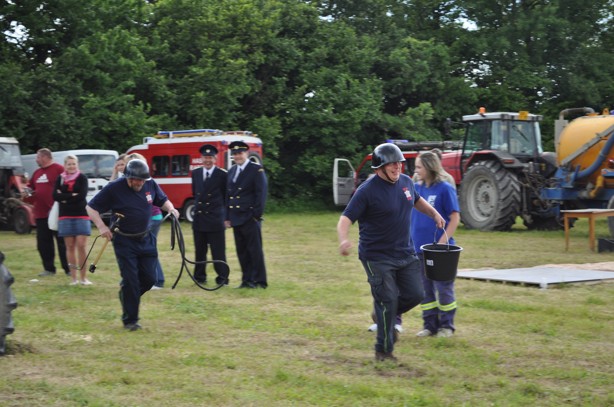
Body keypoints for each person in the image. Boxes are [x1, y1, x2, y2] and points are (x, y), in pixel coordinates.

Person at [337, 143, 445, 362]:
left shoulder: (405, 182)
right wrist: (344, 239)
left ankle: (381, 314)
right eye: (392, 164)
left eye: (399, 163)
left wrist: (434, 213)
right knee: (387, 300)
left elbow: (416, 200)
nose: (398, 167)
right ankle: (384, 351)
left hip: (405, 253)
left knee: (416, 294)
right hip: (376, 257)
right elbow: (345, 218)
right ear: (379, 167)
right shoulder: (366, 191)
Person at [86, 159, 179, 331]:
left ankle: (127, 294)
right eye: (135, 180)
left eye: (141, 180)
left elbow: (163, 200)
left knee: (150, 279)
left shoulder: (150, 184)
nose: (138, 183)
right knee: (131, 280)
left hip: (146, 238)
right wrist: (101, 226)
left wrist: (171, 209)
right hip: (124, 240)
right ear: (127, 177)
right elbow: (91, 207)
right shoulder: (114, 188)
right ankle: (130, 320)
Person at [411, 151, 460, 338]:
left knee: (444, 288)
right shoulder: (416, 189)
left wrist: (441, 243)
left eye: (418, 167)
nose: (416, 171)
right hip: (418, 249)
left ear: (430, 167)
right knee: (424, 289)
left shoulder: (445, 189)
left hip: (440, 252)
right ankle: (429, 325)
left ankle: (447, 326)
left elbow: (455, 218)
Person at [224, 141, 268, 289]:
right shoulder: (231, 171)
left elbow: (260, 194)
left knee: (254, 251)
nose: (237, 156)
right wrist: (227, 217)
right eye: (235, 154)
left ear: (246, 153)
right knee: (242, 251)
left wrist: (256, 215)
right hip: (236, 217)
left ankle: (259, 281)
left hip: (249, 217)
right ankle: (246, 280)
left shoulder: (256, 170)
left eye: (240, 153)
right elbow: (228, 196)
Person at [26, 148, 70, 277]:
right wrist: (26, 192)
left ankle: (68, 269)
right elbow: (31, 188)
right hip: (41, 213)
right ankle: (49, 269)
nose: (36, 159)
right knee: (43, 243)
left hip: (56, 213)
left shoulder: (59, 169)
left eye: (38, 157)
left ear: (45, 157)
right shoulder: (37, 173)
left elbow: (67, 185)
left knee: (62, 242)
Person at [191, 144, 229, 285]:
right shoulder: (196, 173)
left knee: (218, 252)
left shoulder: (222, 175)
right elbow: (195, 194)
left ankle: (223, 278)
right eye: (205, 157)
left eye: (210, 157)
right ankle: (200, 277)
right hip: (200, 219)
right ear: (201, 158)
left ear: (215, 158)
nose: (207, 160)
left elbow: (226, 197)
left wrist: (226, 217)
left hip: (215, 219)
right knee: (199, 251)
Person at [52, 155, 92, 285]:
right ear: (65, 165)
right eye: (69, 164)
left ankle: (84, 278)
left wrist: (64, 198)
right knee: (69, 247)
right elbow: (55, 196)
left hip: (81, 215)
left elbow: (82, 195)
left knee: (81, 246)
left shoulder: (82, 178)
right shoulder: (60, 178)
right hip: (65, 216)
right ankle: (73, 278)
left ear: (77, 164)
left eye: (73, 164)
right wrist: (71, 196)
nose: (71, 166)